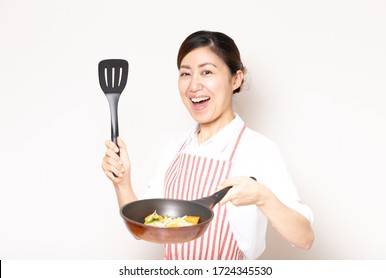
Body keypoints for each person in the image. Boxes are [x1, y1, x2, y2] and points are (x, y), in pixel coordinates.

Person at [102, 30, 314, 260]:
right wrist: (122, 183)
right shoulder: (176, 148)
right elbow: (143, 229)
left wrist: (263, 197)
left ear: (236, 79)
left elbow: (304, 238)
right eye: (185, 73)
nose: (193, 86)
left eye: (207, 72)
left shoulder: (259, 151)